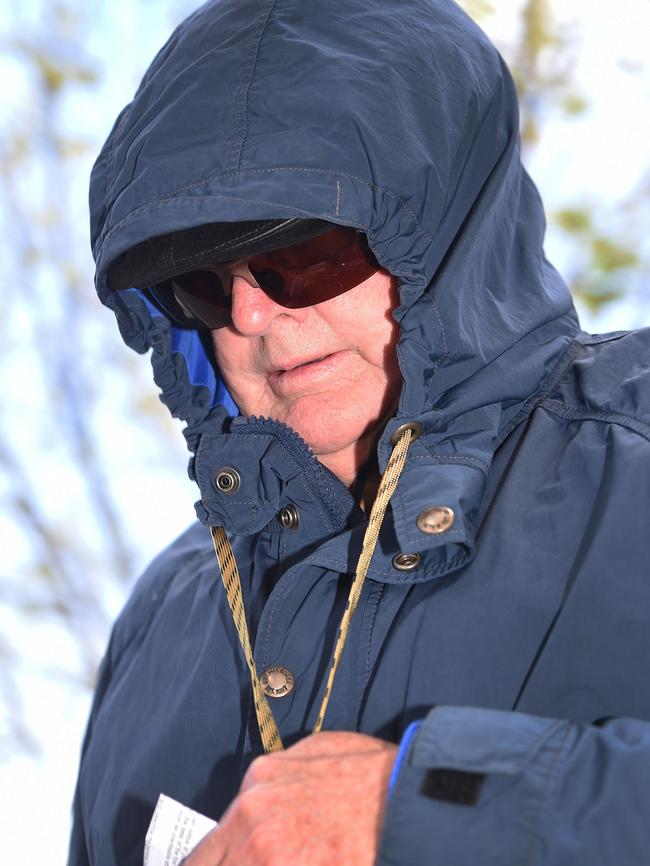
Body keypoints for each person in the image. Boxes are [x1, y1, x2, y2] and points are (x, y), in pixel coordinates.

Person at [69, 0, 650, 864]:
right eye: (196, 281)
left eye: (306, 252)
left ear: (447, 229)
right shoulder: (162, 615)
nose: (251, 311)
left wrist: (426, 806)